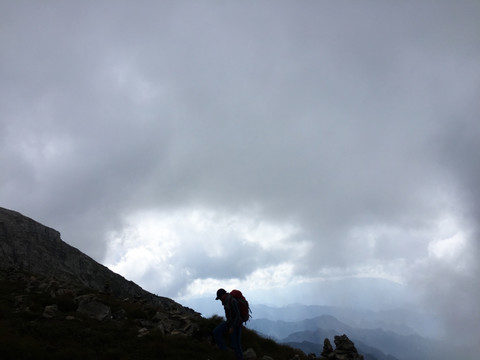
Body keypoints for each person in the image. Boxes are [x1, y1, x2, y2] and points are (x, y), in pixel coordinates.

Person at [213, 288, 244, 360]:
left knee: (236, 345)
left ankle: (240, 358)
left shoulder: (232, 301)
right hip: (230, 322)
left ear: (223, 295)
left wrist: (232, 327)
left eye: (220, 298)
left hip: (236, 324)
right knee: (216, 332)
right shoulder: (226, 301)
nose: (220, 300)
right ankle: (225, 352)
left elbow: (238, 316)